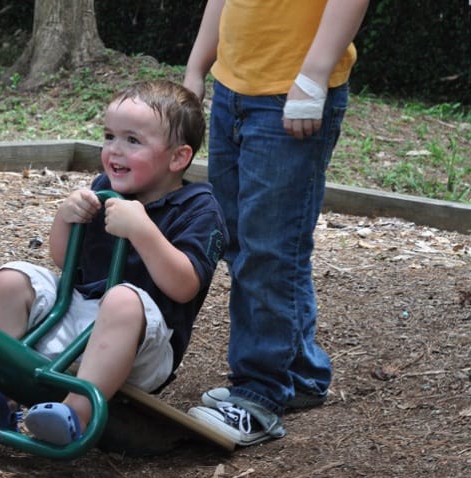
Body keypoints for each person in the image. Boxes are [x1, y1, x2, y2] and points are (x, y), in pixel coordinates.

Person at [0, 79, 228, 446]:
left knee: (122, 299)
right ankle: (1, 395)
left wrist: (144, 231)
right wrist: (65, 216)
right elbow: (63, 258)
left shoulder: (199, 208)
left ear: (178, 158)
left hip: (145, 345)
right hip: (76, 319)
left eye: (133, 140)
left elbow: (185, 286)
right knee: (10, 279)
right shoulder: (102, 186)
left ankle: (76, 414)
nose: (114, 151)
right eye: (109, 136)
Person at [183, 0, 370, 446]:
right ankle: (300, 374)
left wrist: (314, 76)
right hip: (233, 91)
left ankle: (259, 394)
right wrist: (196, 68)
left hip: (290, 94)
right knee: (245, 241)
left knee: (270, 249)